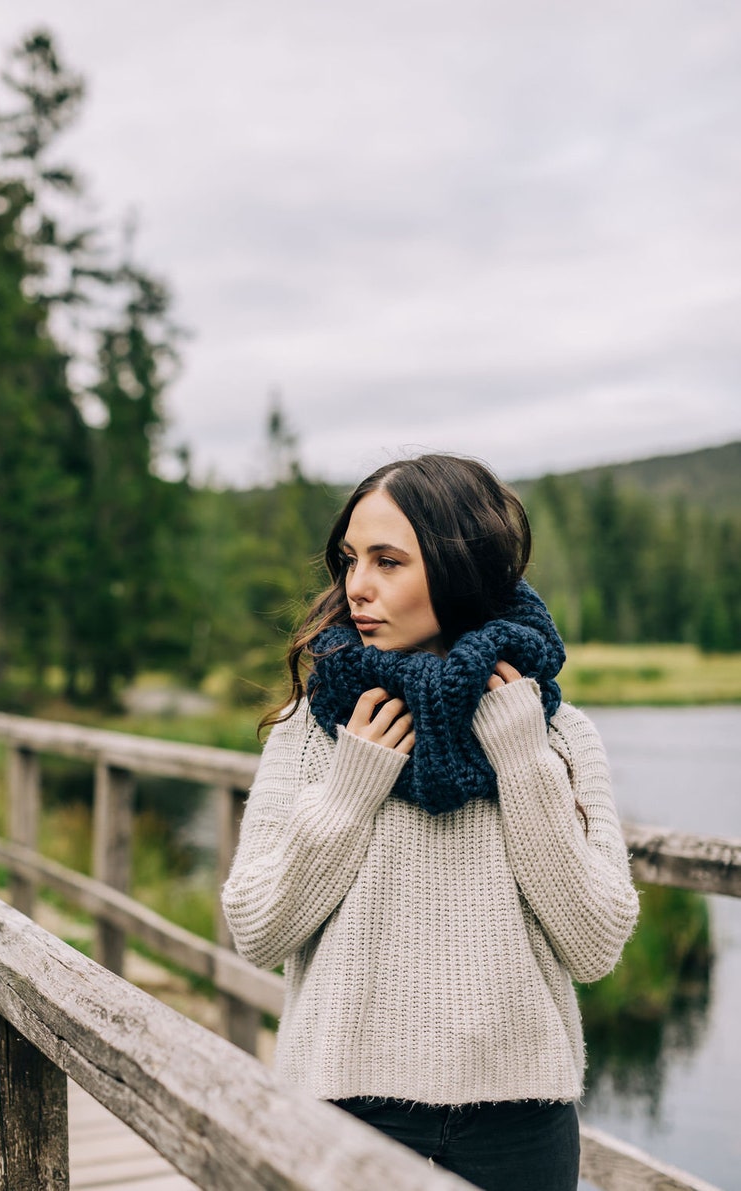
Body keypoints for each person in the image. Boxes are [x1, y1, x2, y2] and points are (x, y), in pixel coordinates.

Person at [221, 454, 638, 1191]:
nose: (358, 586)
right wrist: (351, 790)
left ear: (458, 568)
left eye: (388, 560)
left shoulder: (558, 732)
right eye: (351, 559)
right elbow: (255, 929)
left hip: (523, 1124)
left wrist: (522, 762)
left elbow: (597, 943)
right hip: (344, 1111)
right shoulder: (312, 729)